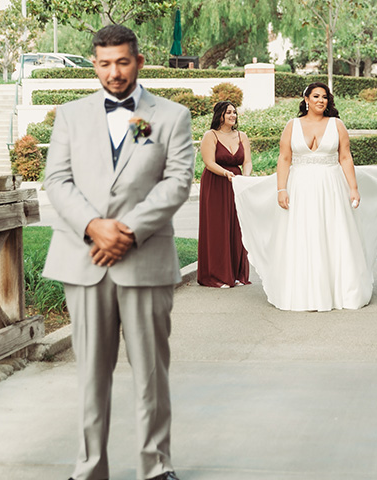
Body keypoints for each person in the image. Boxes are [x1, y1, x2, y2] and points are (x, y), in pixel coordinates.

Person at [43, 24, 193, 480]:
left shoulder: (171, 116)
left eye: (123, 62)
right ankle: (89, 468)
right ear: (94, 63)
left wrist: (124, 231)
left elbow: (178, 181)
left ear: (139, 62)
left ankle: (155, 466)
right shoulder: (69, 115)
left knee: (150, 372)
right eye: (105, 63)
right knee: (90, 373)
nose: (114, 72)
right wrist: (94, 227)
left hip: (143, 258)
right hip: (83, 259)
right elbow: (57, 181)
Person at [232, 83, 377, 312]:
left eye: (324, 97)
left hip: (331, 186)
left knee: (333, 235)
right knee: (303, 235)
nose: (320, 100)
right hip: (300, 187)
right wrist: (281, 189)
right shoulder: (292, 126)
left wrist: (353, 188)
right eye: (315, 96)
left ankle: (339, 292)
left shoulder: (337, 125)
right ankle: (304, 292)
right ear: (306, 98)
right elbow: (284, 159)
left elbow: (345, 157)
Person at [197, 100, 252, 288]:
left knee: (237, 226)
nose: (233, 115)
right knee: (217, 227)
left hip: (236, 184)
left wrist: (245, 177)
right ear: (219, 114)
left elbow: (247, 162)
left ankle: (236, 273)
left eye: (234, 113)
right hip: (215, 183)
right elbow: (209, 162)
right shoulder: (210, 135)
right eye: (229, 112)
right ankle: (216, 275)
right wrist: (226, 173)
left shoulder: (242, 136)